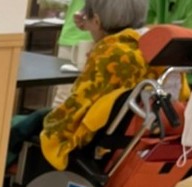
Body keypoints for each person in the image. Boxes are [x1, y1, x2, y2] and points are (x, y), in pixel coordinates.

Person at [9, 0, 149, 170]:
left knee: (16, 126)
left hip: (88, 140)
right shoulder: (146, 50)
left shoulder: (108, 55)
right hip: (122, 140)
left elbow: (73, 111)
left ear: (96, 21)